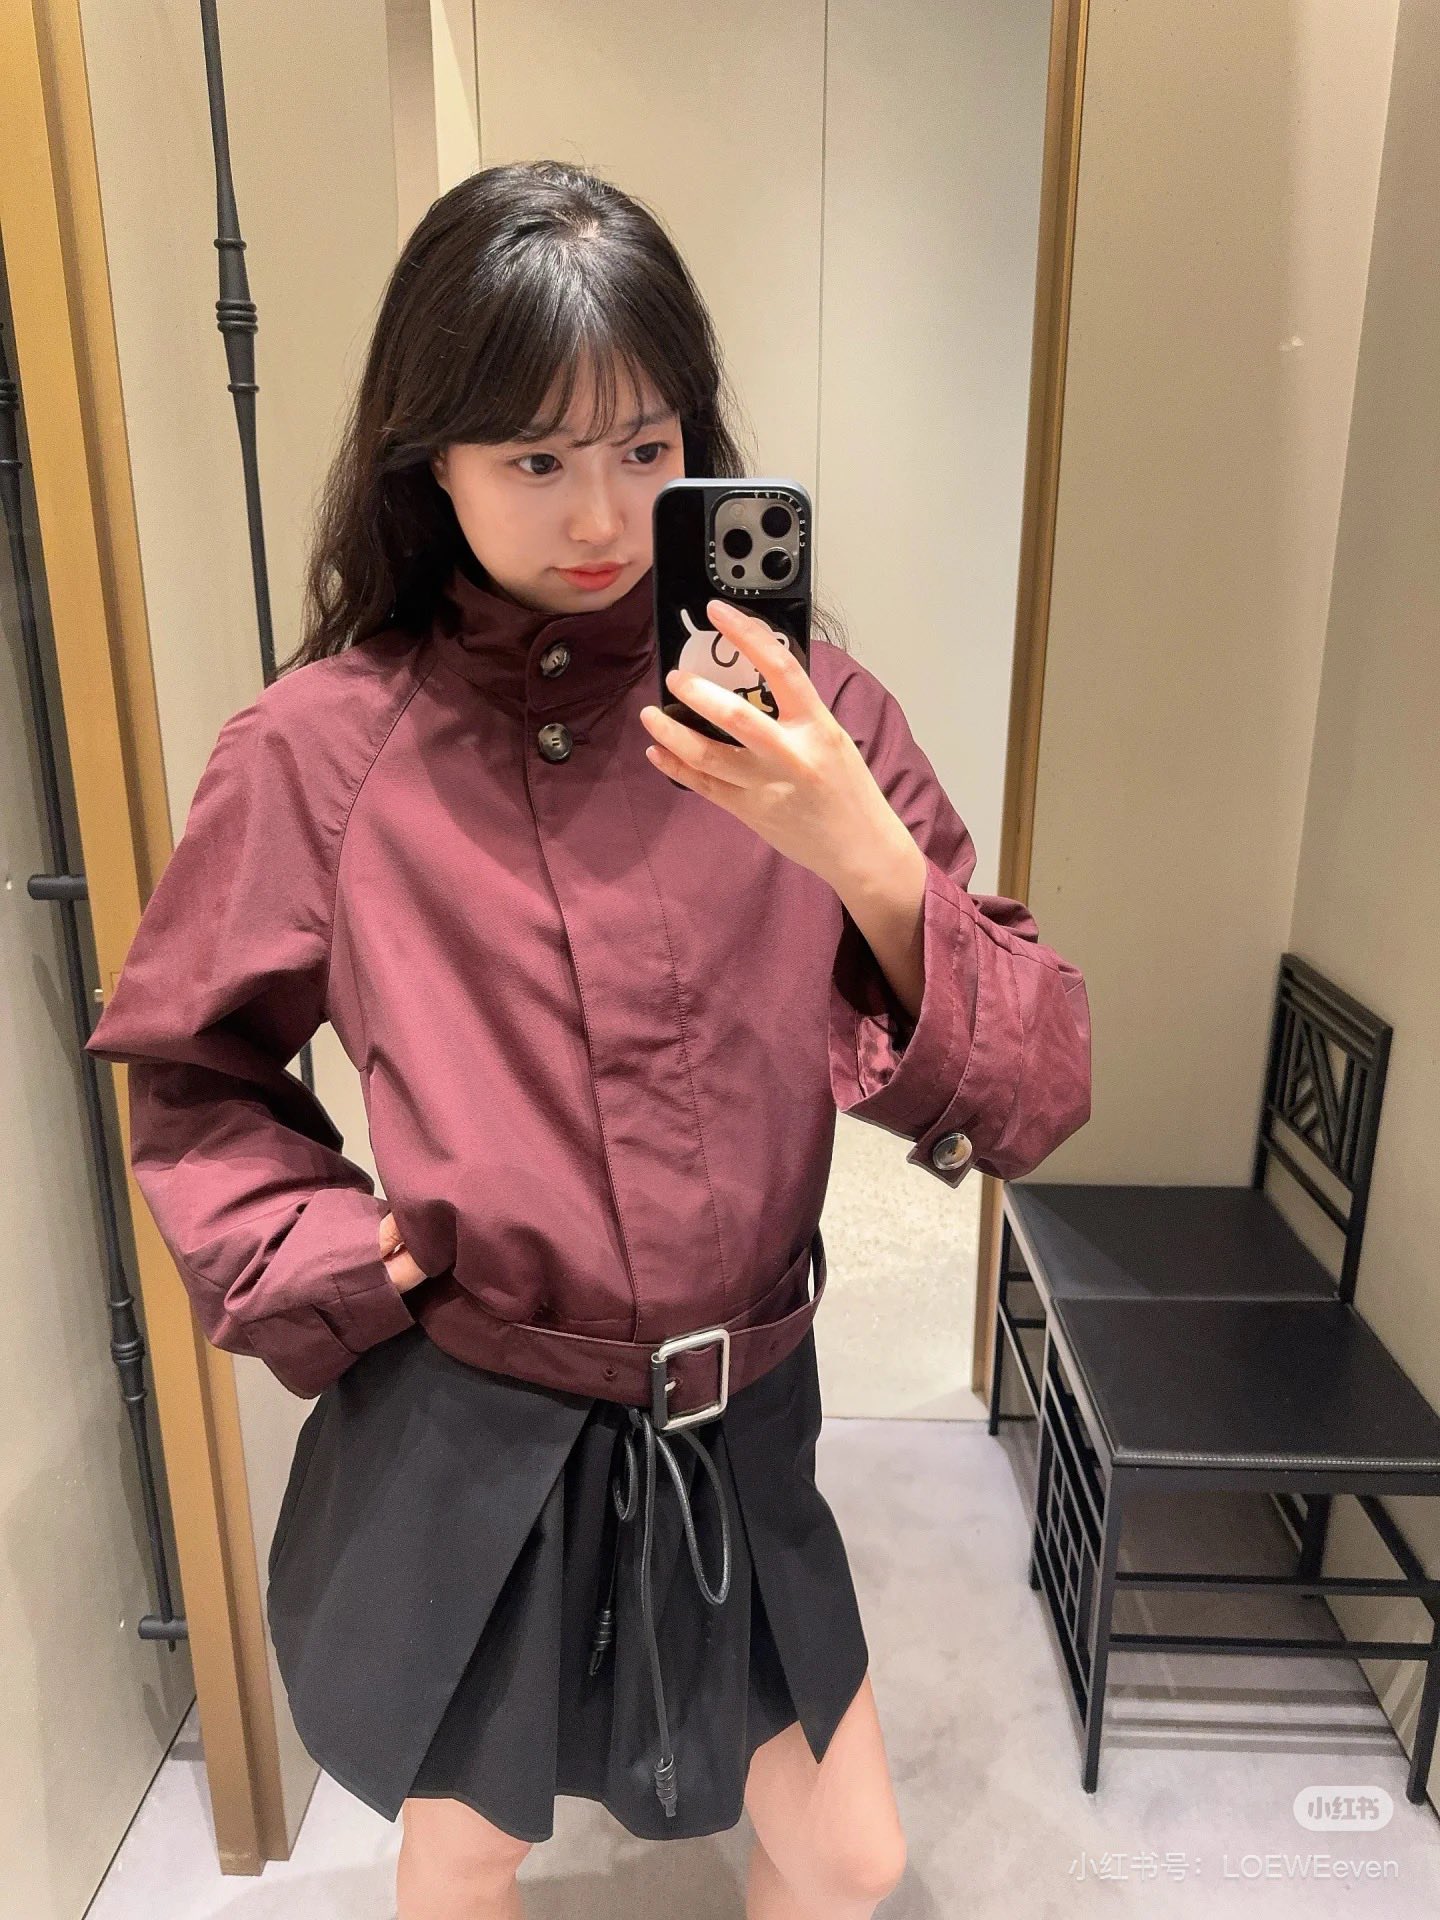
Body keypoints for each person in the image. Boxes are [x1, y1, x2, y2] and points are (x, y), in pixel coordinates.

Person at [85, 159, 1093, 1918]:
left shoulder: (803, 714)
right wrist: (325, 1254)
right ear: (433, 463)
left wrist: (856, 850)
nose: (603, 514)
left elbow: (1039, 1081)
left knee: (849, 1850)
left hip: (744, 1414)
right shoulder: (327, 748)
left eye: (644, 445)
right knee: (469, 1845)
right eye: (535, 459)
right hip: (486, 1420)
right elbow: (193, 1070)